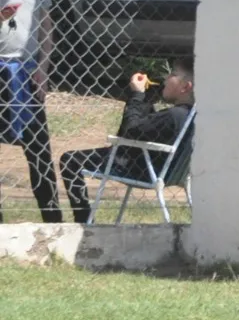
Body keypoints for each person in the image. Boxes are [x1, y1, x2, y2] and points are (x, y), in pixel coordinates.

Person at [59, 60, 196, 224]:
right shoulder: (192, 115)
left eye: (173, 74)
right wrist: (144, 96)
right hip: (171, 172)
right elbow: (147, 127)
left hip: (140, 168)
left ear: (185, 87)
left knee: (70, 160)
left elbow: (129, 130)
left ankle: (84, 221)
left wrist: (137, 95)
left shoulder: (173, 116)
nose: (166, 78)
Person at [0, 0, 62, 222]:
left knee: (38, 150)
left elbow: (46, 25)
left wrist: (43, 68)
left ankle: (53, 220)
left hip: (26, 72)